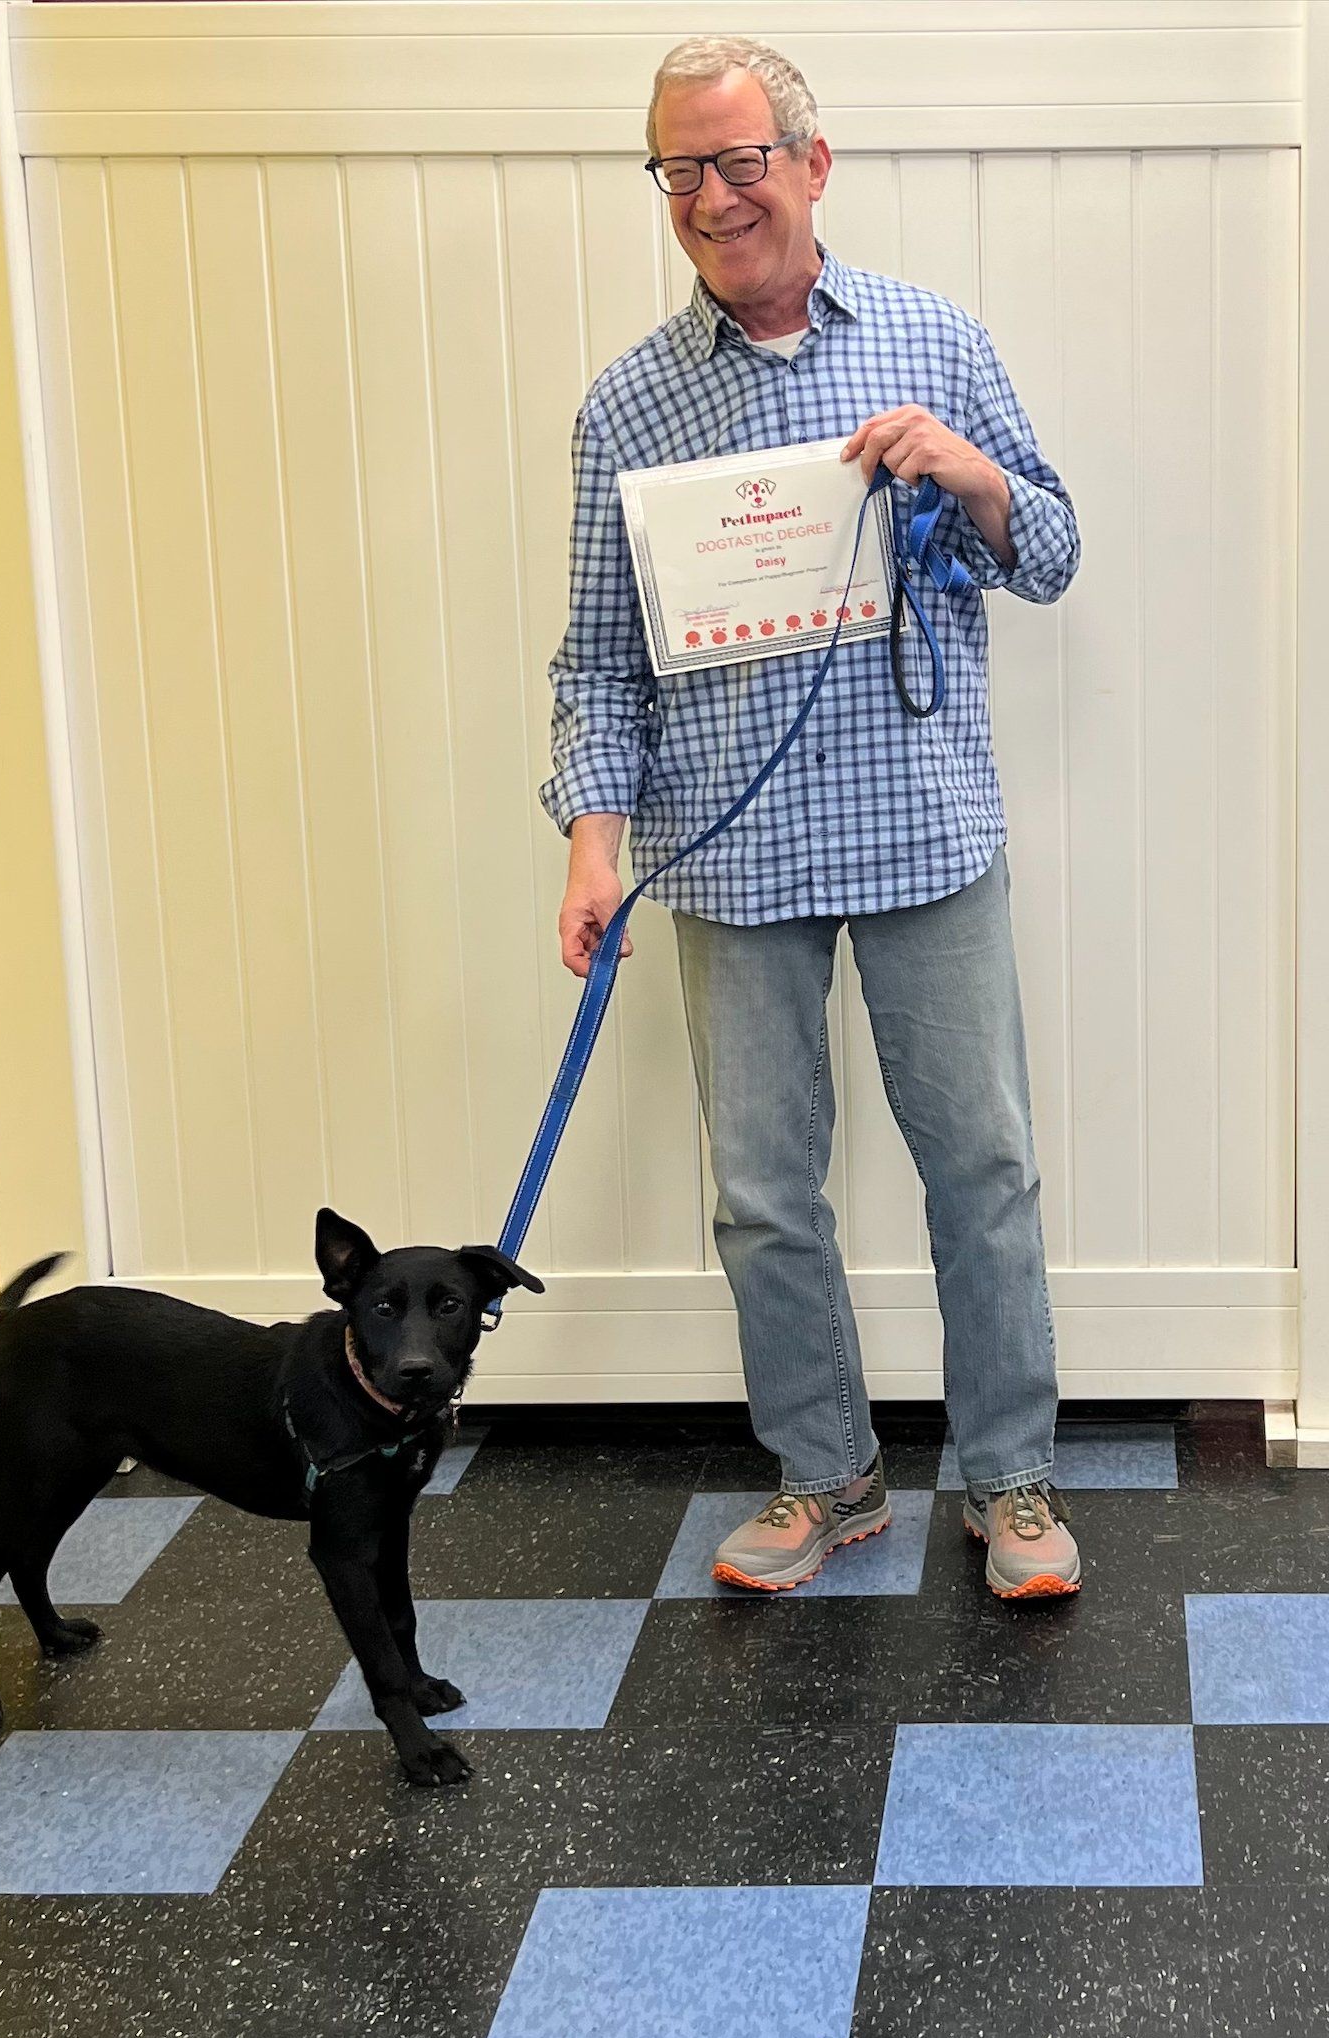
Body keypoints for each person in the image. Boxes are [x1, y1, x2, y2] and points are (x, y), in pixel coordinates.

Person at [541, 36, 1083, 1600]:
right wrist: (593, 840)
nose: (711, 198)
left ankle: (1012, 1485)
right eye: (678, 169)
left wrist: (968, 470)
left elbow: (1045, 552)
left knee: (980, 1166)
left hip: (923, 833)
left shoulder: (933, 339)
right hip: (732, 853)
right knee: (762, 1193)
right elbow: (597, 662)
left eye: (739, 160)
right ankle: (826, 1480)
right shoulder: (628, 407)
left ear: (811, 161)